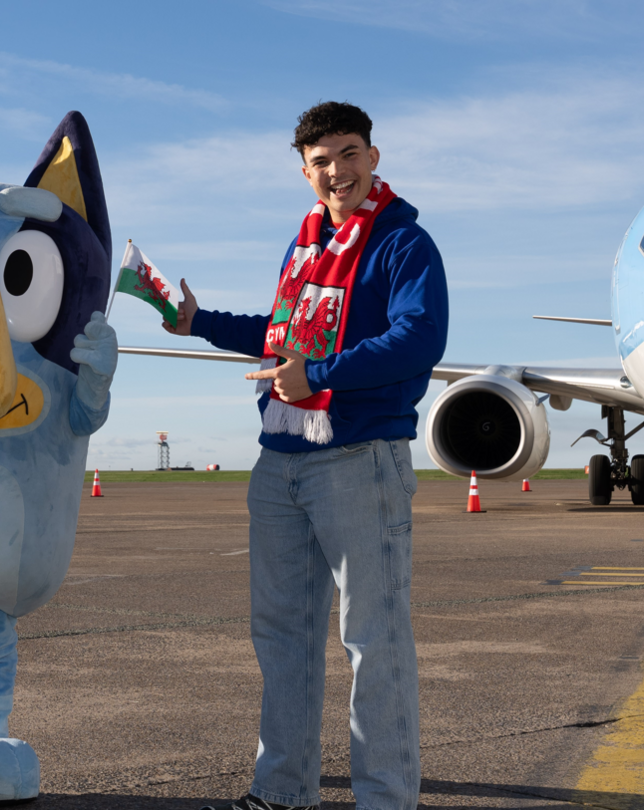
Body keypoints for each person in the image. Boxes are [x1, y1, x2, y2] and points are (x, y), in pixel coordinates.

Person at [165, 102, 448, 810]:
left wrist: (318, 374)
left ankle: (386, 800)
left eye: (348, 154)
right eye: (321, 161)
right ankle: (282, 791)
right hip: (281, 458)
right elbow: (281, 332)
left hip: (359, 458)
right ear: (305, 172)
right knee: (282, 637)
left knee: (373, 641)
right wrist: (199, 324)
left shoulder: (403, 244)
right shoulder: (305, 247)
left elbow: (419, 339)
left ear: (372, 158)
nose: (336, 171)